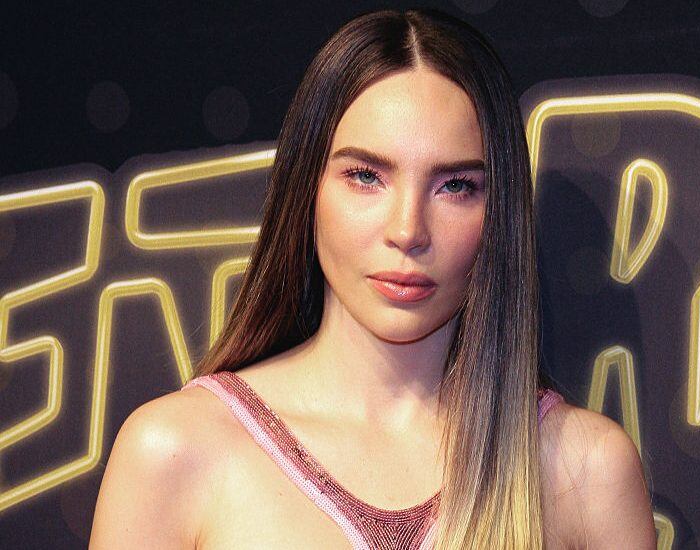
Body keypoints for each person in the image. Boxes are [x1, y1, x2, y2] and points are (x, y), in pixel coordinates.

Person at [89, 8, 655, 549]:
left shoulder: (587, 471)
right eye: (365, 176)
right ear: (307, 188)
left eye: (455, 186)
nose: (408, 230)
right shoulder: (175, 450)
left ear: (500, 212)